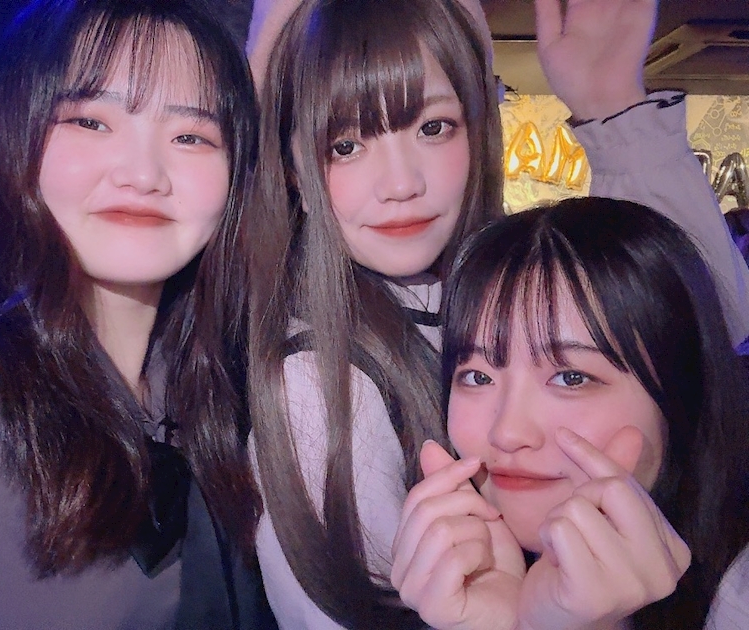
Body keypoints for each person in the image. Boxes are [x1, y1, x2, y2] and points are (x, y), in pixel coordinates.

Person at [244, 0, 749, 628]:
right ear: (292, 167)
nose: (400, 184)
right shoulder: (320, 384)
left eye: (434, 127)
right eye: (344, 145)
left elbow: (697, 331)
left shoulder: (492, 283)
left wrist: (616, 112)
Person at [0, 0, 273, 628]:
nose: (143, 175)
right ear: (12, 131)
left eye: (190, 136)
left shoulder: (227, 392)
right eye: (90, 121)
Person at [392, 197, 749, 630]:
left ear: (684, 394)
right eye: (478, 377)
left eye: (571, 378)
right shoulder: (466, 579)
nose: (507, 433)